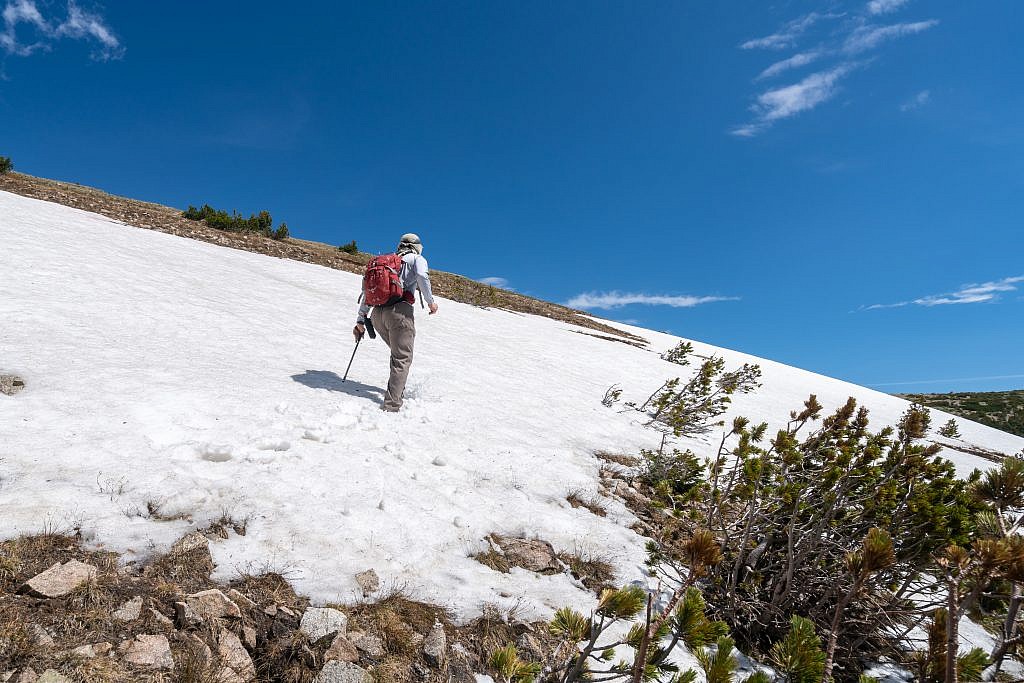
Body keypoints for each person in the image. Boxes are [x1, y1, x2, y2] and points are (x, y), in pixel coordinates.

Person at [353, 233, 439, 411]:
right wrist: (431, 302)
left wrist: (361, 320)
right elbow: (423, 276)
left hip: (377, 315)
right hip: (399, 312)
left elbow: (369, 291)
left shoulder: (385, 262)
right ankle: (391, 406)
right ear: (417, 246)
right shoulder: (416, 259)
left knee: (398, 354)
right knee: (402, 358)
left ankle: (397, 390)